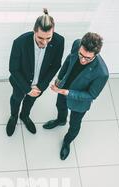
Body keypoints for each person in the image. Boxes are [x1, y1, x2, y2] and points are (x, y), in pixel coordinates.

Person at [43, 32, 109, 160]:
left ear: (96, 54)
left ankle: (67, 142)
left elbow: (91, 95)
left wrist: (66, 92)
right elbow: (68, 61)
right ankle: (60, 120)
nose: (83, 60)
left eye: (88, 58)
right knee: (60, 106)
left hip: (79, 102)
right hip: (64, 87)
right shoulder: (77, 44)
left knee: (74, 125)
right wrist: (60, 78)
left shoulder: (102, 73)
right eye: (81, 55)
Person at [6, 8, 64, 137]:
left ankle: (24, 116)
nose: (44, 43)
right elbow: (13, 68)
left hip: (40, 84)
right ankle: (13, 117)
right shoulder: (20, 42)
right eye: (40, 38)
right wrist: (27, 89)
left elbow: (56, 65)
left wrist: (41, 86)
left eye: (49, 38)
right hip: (21, 83)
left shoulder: (59, 41)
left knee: (30, 102)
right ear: (34, 31)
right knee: (16, 99)